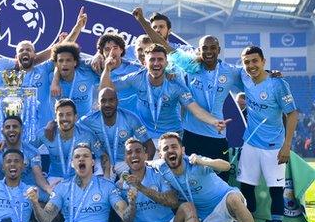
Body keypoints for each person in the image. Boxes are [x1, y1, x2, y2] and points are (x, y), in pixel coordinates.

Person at [20, 143, 188, 222]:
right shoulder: (62, 188)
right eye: (77, 157)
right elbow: (45, 220)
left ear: (92, 162)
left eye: (85, 156)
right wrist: (35, 203)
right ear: (72, 163)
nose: (81, 159)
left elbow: (126, 217)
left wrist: (132, 203)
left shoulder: (107, 186)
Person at [100, 44, 228, 152]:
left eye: (160, 59)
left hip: (172, 137)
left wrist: (214, 121)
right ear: (145, 63)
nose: (156, 63)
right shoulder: (136, 78)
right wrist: (107, 69)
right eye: (152, 60)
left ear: (166, 62)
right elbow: (107, 89)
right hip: (145, 137)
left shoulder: (176, 85)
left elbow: (195, 109)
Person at [155, 132, 260, 222]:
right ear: (160, 154)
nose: (170, 150)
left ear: (182, 150)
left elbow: (226, 166)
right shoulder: (161, 167)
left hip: (224, 200)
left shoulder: (195, 163)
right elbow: (148, 163)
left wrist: (203, 161)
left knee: (234, 200)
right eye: (166, 148)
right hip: (208, 216)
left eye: (174, 147)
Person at [237, 46, 298, 222]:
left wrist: (287, 145)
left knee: (276, 191)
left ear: (263, 61)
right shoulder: (244, 77)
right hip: (251, 143)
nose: (251, 65)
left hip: (274, 147)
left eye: (255, 61)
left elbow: (292, 114)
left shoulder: (278, 84)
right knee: (246, 188)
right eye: (247, 62)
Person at [121, 138, 201, 222]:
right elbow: (126, 221)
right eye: (129, 153)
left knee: (187, 206)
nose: (134, 155)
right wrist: (132, 204)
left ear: (146, 155)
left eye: (138, 151)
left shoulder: (158, 174)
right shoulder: (121, 185)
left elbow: (173, 202)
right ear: (125, 159)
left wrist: (141, 187)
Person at [79, 87, 155, 176]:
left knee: (132, 187)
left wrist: (144, 171)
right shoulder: (88, 120)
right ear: (98, 104)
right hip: (102, 161)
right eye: (103, 101)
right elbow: (73, 128)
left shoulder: (131, 118)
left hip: (126, 162)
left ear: (117, 101)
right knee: (100, 187)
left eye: (111, 100)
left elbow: (150, 147)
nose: (107, 104)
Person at [0, 116, 51, 196]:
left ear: (22, 130)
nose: (11, 129)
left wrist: (48, 189)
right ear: (2, 131)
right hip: (4, 193)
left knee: (47, 201)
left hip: (27, 192)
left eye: (15, 127)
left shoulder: (32, 152)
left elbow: (39, 176)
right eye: (8, 127)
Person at [34, 99, 102, 185]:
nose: (64, 118)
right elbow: (27, 149)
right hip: (55, 178)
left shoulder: (87, 135)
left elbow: (101, 156)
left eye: (69, 114)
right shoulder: (46, 133)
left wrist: (98, 178)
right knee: (42, 195)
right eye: (61, 115)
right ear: (56, 117)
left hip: (79, 178)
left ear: (75, 117)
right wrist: (37, 170)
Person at [88, 34, 143, 112]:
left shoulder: (136, 69)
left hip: (132, 119)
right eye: (107, 49)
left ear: (121, 50)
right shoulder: (94, 69)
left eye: (115, 48)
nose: (111, 52)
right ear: (101, 53)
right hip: (105, 118)